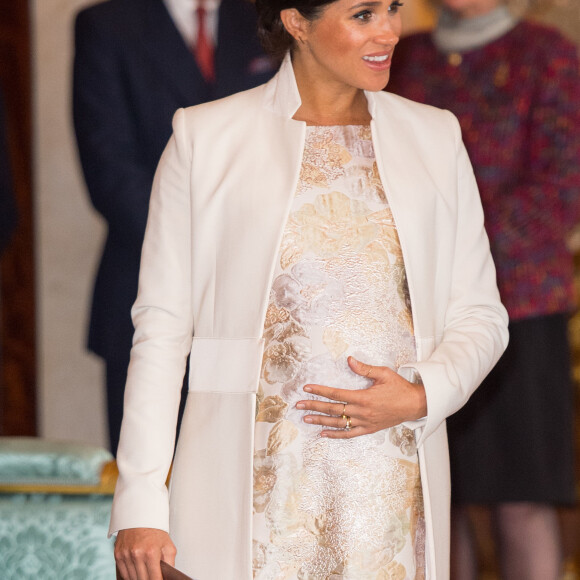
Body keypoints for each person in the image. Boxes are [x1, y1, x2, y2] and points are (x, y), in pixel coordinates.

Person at [109, 0, 509, 577]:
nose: (390, 31)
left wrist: (424, 394)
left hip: (392, 473)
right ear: (297, 21)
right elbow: (162, 330)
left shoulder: (434, 135)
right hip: (248, 482)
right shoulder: (205, 137)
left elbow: (480, 314)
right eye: (363, 14)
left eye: (394, 9)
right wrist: (141, 499)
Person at [388, 1, 580, 578]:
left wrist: (457, 242)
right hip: (422, 314)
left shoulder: (548, 55)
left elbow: (564, 183)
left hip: (521, 312)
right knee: (441, 499)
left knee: (520, 499)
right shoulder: (404, 58)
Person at [73, 0, 277, 456]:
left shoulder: (267, 16)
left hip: (262, 291)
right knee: (154, 482)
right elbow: (110, 172)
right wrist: (213, 250)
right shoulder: (106, 25)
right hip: (146, 283)